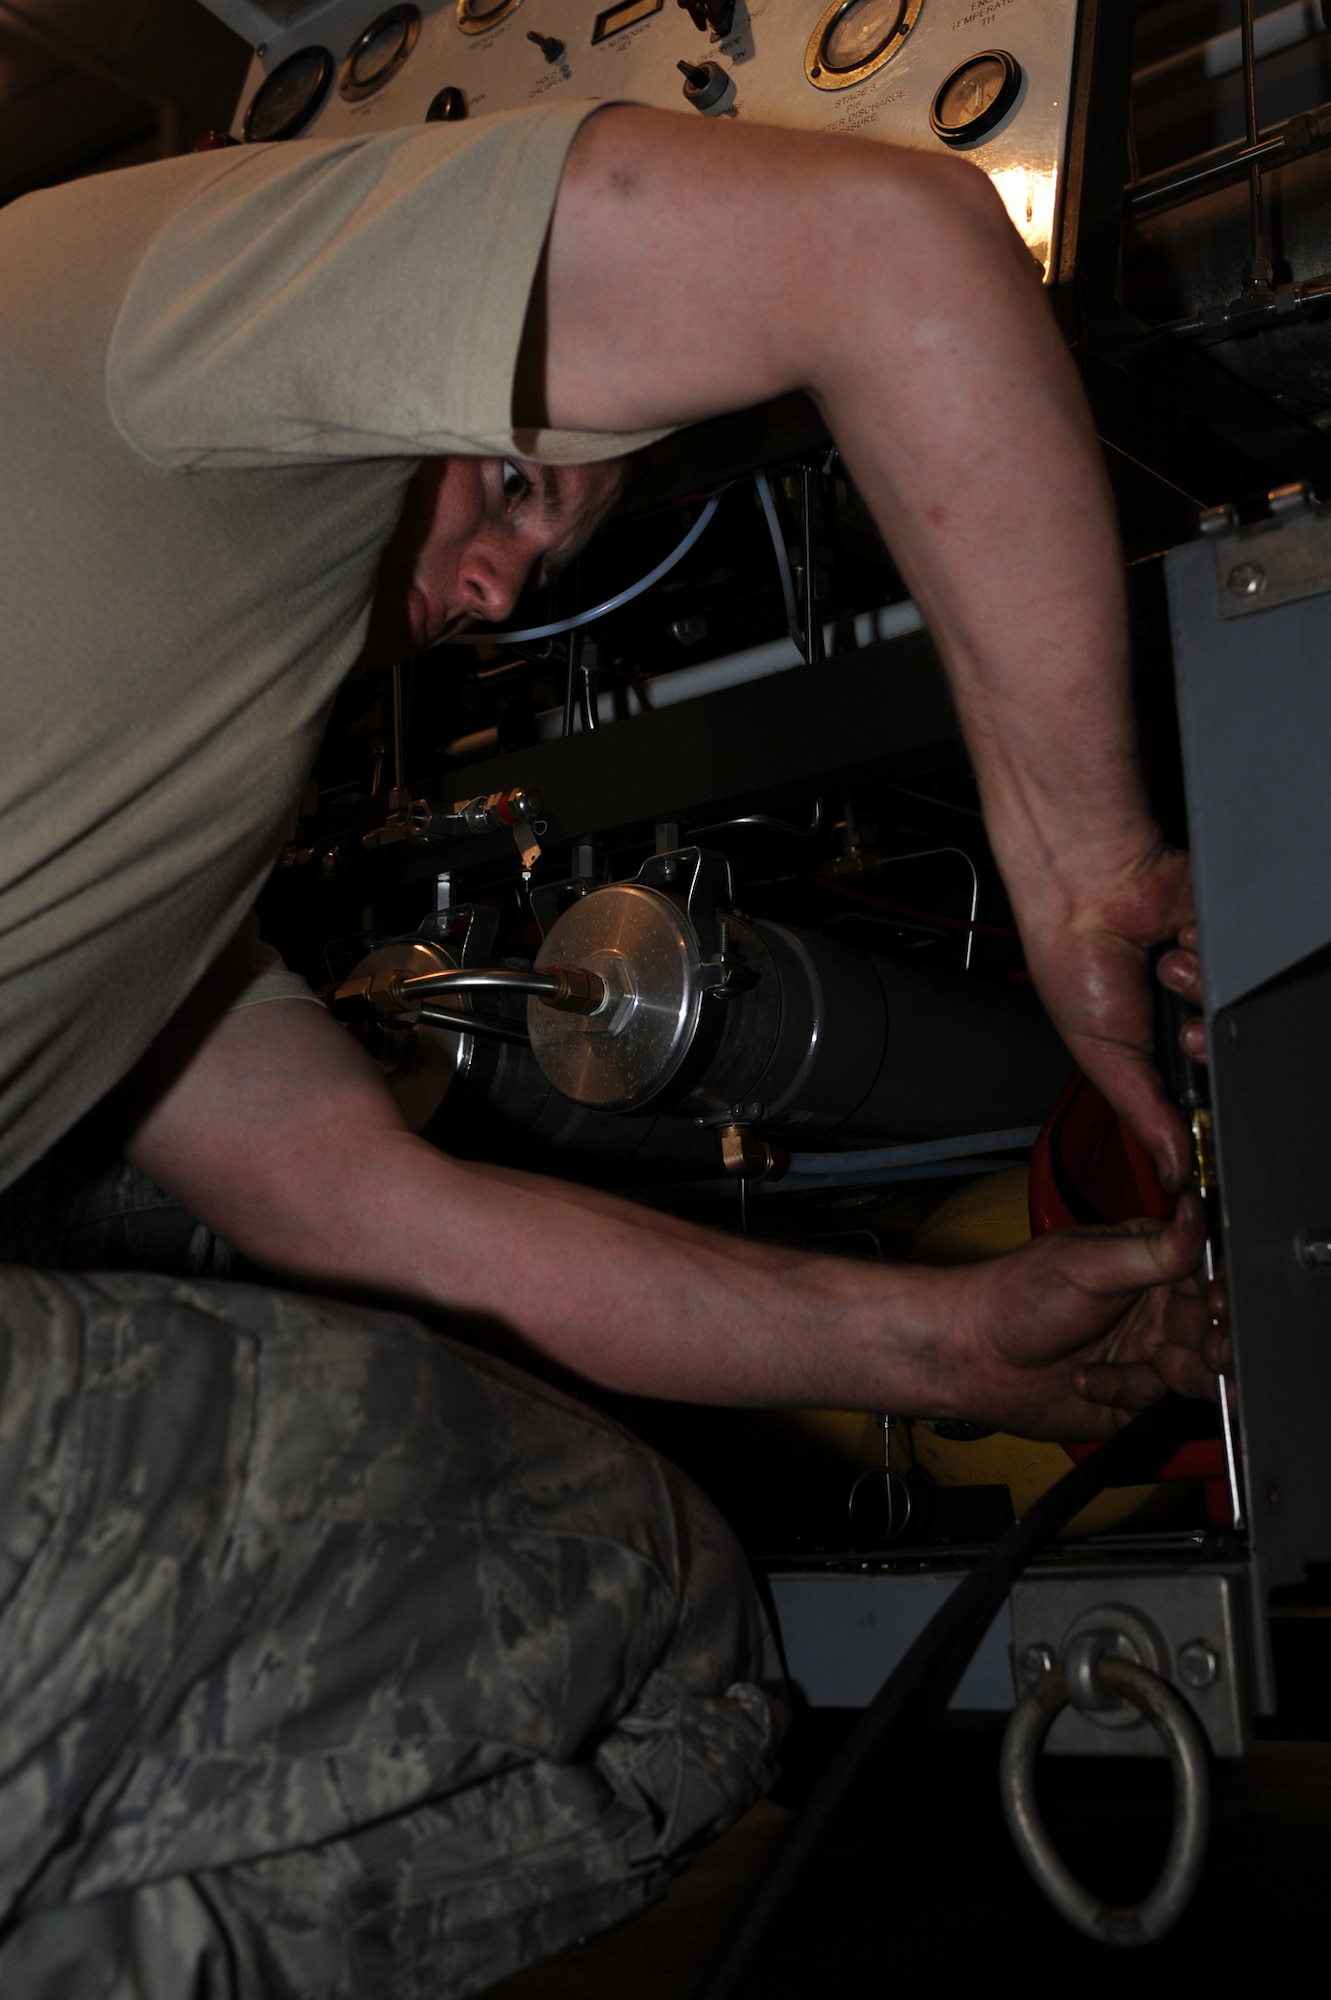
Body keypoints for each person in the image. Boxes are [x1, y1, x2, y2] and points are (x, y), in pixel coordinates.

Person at [0, 101, 1219, 1994]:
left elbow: (389, 1216)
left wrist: (947, 1346)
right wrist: (1080, 872)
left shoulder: (117, 846)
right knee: (659, 1642)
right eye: (518, 491)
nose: (495, 592)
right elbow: (892, 242)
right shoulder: (146, 288)